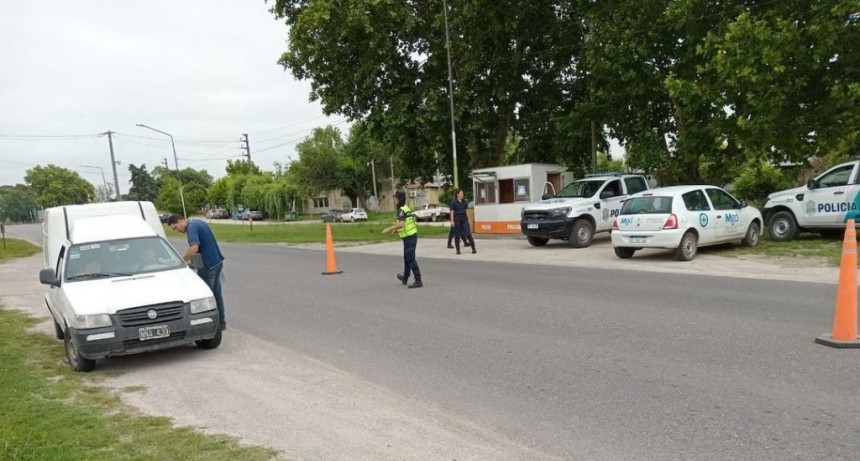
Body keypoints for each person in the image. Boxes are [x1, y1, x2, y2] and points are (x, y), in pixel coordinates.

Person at [167, 214, 228, 330]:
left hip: (208, 266)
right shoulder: (198, 222)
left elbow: (194, 248)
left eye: (175, 228)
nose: (177, 231)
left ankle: (211, 325)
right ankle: (221, 323)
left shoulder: (191, 228)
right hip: (217, 262)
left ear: (180, 221)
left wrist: (181, 261)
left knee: (205, 297)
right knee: (216, 294)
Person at [382, 190, 423, 288]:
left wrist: (389, 228)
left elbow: (401, 224)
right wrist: (396, 230)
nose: (395, 200)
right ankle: (405, 277)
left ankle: (418, 280)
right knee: (406, 258)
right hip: (409, 236)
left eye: (396, 198)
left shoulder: (401, 210)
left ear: (399, 199)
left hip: (410, 237)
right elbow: (405, 224)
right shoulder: (405, 208)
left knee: (410, 258)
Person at [450, 188, 476, 254]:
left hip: (464, 219)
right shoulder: (454, 202)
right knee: (457, 235)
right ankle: (458, 250)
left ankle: (473, 248)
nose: (462, 194)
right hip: (457, 219)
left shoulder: (465, 202)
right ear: (457, 194)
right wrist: (452, 221)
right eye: (461, 193)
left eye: (463, 193)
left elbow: (466, 211)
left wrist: (469, 219)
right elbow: (452, 212)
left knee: (468, 234)